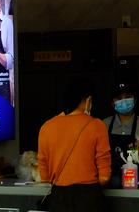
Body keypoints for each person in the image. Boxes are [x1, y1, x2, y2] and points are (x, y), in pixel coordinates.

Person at [38, 78, 110, 212]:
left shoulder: (46, 127)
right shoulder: (96, 125)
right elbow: (104, 177)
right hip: (89, 198)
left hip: (58, 198)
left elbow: (44, 175)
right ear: (88, 100)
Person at [101, 82, 139, 187]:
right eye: (119, 98)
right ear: (113, 103)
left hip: (137, 184)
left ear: (135, 100)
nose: (123, 101)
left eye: (127, 97)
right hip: (108, 184)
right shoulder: (103, 125)